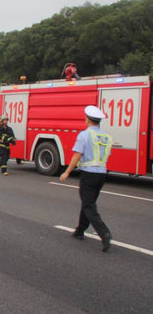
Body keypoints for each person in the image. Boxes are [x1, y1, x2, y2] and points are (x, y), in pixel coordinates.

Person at [60, 105, 113, 252]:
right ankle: (80, 231)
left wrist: (67, 172)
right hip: (101, 175)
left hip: (88, 175)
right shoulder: (106, 137)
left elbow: (77, 154)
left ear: (88, 120)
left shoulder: (84, 135)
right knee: (88, 202)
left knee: (89, 205)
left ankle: (104, 233)